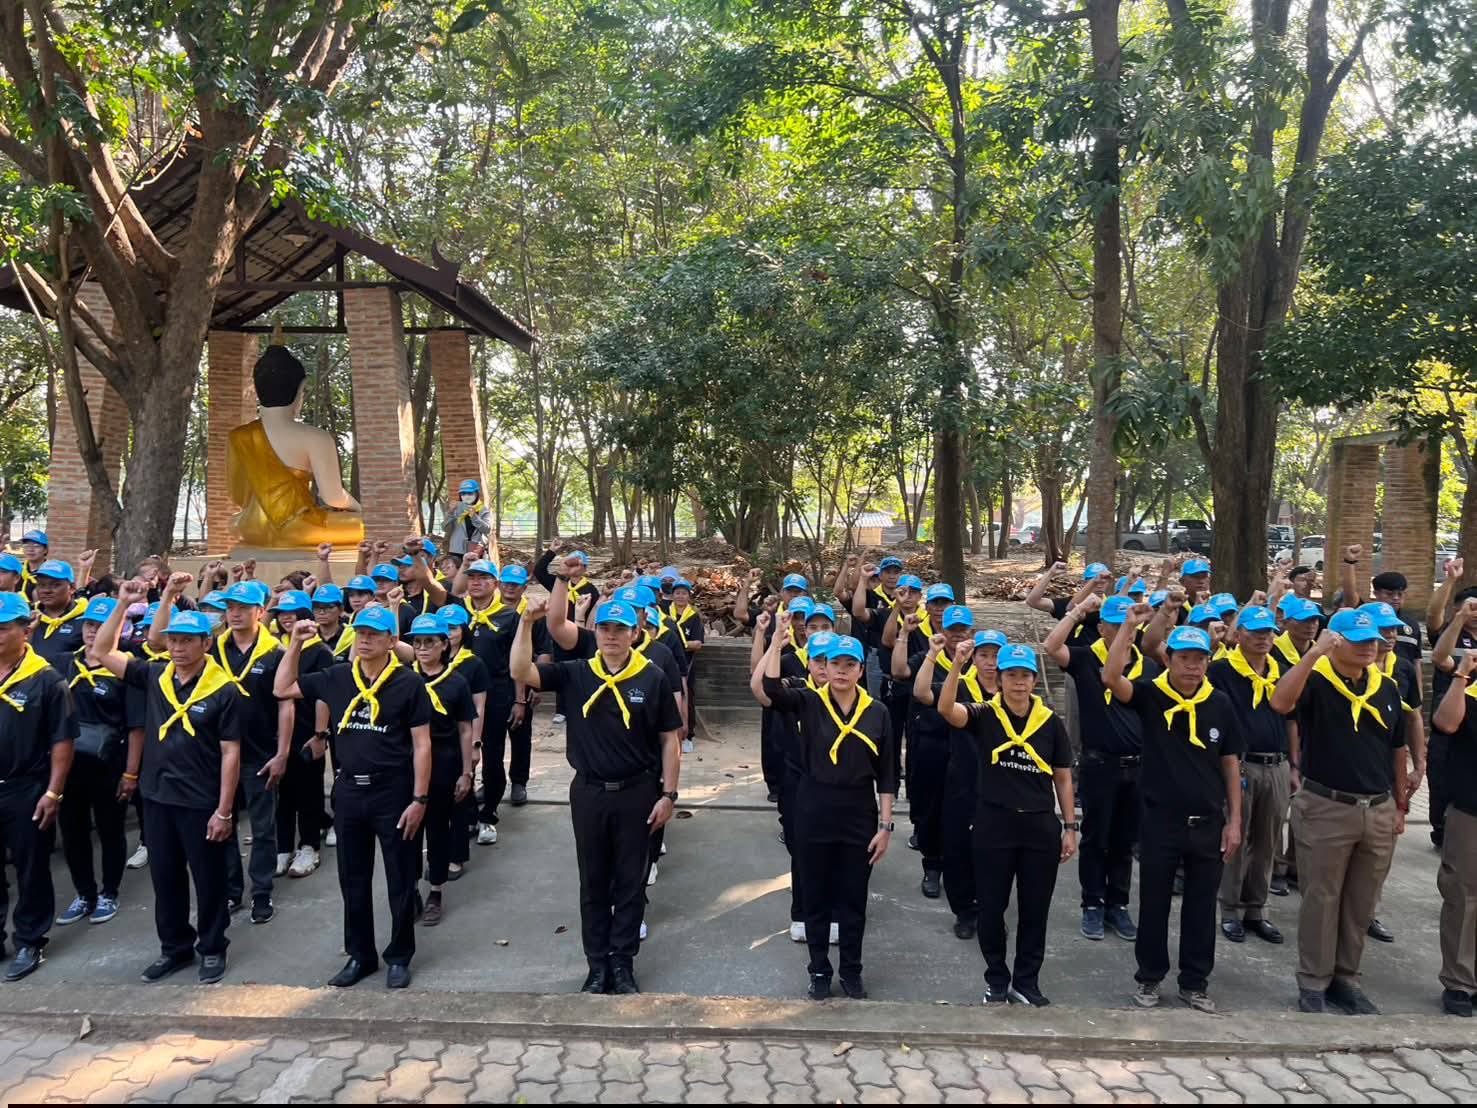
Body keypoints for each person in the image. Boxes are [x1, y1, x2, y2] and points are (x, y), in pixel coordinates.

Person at [513, 599, 682, 995]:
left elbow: (669, 740)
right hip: (589, 792)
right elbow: (521, 671)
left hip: (637, 792)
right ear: (596, 632)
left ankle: (622, 963)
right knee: (593, 881)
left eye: (620, 629)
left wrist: (669, 794)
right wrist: (525, 623)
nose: (611, 636)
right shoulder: (576, 673)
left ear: (634, 634)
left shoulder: (652, 677)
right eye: (604, 628)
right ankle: (597, 964)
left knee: (631, 881)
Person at [274, 606, 432, 990]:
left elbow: (422, 745)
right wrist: (295, 644)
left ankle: (399, 955)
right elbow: (282, 688)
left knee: (400, 878)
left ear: (391, 640)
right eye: (361, 632)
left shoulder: (408, 683)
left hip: (393, 791)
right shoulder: (337, 676)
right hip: (348, 790)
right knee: (353, 878)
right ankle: (360, 954)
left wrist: (419, 799)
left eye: (374, 634)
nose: (365, 640)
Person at [90, 587, 241, 985]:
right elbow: (103, 652)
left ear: (205, 643)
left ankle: (213, 947)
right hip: (158, 797)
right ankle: (174, 947)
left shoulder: (223, 690)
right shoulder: (155, 675)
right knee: (165, 877)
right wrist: (122, 604)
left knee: (208, 880)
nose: (177, 648)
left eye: (187, 641)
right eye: (173, 640)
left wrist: (224, 811)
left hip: (201, 800)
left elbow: (230, 753)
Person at [1270, 609, 1407, 1015]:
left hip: (1377, 808)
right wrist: (1313, 654)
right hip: (1327, 806)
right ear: (1337, 642)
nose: (1369, 647)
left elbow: (1395, 748)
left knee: (1361, 902)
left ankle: (1347, 978)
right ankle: (1314, 980)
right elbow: (1280, 702)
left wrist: (1400, 804)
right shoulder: (1316, 682)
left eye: (1373, 641)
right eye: (1359, 641)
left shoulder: (1385, 687)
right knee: (1322, 898)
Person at [1103, 620, 1243, 1012]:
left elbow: (1230, 762)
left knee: (1201, 906)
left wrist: (1234, 821)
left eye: (1200, 659)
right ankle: (1149, 977)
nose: (1193, 667)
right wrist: (1128, 627)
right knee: (1154, 903)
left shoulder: (1220, 703)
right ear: (1168, 659)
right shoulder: (1151, 694)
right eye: (1184, 658)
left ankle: (1195, 982)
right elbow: (1111, 677)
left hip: (1207, 823)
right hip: (1160, 821)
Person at [937, 640, 1076, 1006]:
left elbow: (1063, 777)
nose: (1018, 682)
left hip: (1039, 827)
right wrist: (956, 665)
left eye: (1025, 675)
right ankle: (996, 978)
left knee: (1035, 910)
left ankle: (1026, 982)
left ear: (1034, 681)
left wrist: (1070, 826)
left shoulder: (1050, 723)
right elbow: (947, 709)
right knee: (991, 907)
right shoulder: (985, 714)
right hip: (994, 825)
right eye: (1011, 675)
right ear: (998, 679)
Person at [760, 626, 895, 1000]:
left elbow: (887, 773)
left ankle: (851, 970)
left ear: (860, 670)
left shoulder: (878, 712)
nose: (841, 671)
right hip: (813, 807)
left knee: (853, 899)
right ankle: (818, 969)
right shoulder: (808, 701)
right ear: (824, 666)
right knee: (815, 896)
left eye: (850, 664)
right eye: (835, 663)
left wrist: (885, 825)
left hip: (858, 812)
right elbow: (771, 691)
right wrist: (775, 644)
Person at [156, 577, 290, 925]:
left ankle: (261, 891)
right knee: (222, 821)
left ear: (260, 611)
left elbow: (285, 704)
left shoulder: (275, 653)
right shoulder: (212, 648)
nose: (235, 614)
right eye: (230, 607)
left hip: (260, 752)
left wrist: (282, 752)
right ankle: (232, 889)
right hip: (215, 755)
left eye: (243, 608)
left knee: (263, 827)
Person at [1043, 593, 1155, 942]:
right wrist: (1078, 610)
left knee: (1125, 840)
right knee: (1096, 838)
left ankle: (1118, 904)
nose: (1125, 631)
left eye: (1129, 626)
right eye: (1116, 625)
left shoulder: (1148, 666)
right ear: (1102, 627)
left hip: (1137, 766)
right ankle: (1092, 902)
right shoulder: (1085, 659)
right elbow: (1051, 645)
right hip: (1099, 764)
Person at [0, 592, 75, 981]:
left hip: (27, 788)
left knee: (30, 868)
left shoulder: (46, 680)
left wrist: (53, 792)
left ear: (25, 631)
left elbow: (62, 740)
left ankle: (30, 939)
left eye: (3, 628)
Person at [56, 596, 144, 930]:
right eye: (90, 624)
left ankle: (109, 891)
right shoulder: (66, 664)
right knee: (73, 831)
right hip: (69, 765)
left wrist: (131, 773)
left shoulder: (125, 668)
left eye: (103, 625)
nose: (94, 631)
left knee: (110, 830)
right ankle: (84, 893)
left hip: (110, 765)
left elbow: (136, 727)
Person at [750, 628, 839, 944]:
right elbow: (760, 689)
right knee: (801, 849)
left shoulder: (848, 695)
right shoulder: (795, 689)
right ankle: (801, 912)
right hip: (797, 783)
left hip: (834, 785)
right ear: (808, 662)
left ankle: (833, 913)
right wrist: (774, 644)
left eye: (830, 660)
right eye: (817, 660)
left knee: (834, 850)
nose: (824, 667)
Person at [1208, 605, 1291, 945]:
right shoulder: (1222, 671)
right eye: (1255, 631)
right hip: (1240, 764)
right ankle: (1229, 909)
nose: (1263, 638)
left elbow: (1292, 719)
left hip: (1277, 764)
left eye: (1268, 632)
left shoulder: (1281, 670)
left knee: (1268, 840)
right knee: (1235, 838)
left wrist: (1294, 765)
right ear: (1238, 633)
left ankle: (1257, 908)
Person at [455, 561, 550, 843]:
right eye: (472, 577)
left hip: (497, 693)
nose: (476, 582)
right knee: (462, 756)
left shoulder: (510, 617)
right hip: (460, 694)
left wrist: (519, 699)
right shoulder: (458, 613)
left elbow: (517, 662)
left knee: (492, 755)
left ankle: (489, 814)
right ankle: (467, 814)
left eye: (483, 578)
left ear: (494, 584)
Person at [894, 604, 976, 901]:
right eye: (952, 630)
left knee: (964, 813)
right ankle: (932, 867)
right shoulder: (927, 657)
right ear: (942, 630)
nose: (957, 636)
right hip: (932, 745)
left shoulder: (980, 662)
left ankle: (961, 870)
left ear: (972, 632)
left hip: (968, 749)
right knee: (931, 810)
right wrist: (926, 648)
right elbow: (901, 674)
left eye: (962, 630)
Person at [405, 614, 476, 926]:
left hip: (443, 763)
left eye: (429, 642)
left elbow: (465, 728)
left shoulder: (456, 682)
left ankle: (435, 890)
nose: (422, 648)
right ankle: (409, 889)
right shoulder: (404, 678)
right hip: (406, 765)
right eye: (417, 642)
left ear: (444, 645)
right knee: (406, 831)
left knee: (437, 829)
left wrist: (466, 771)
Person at [270, 590, 333, 880]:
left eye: (292, 613)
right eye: (281, 613)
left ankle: (309, 846)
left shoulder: (320, 652)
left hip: (308, 731)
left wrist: (320, 735)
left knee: (308, 791)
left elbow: (323, 697)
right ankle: (283, 848)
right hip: (279, 733)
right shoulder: (278, 649)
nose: (286, 618)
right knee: (282, 794)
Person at [1430, 648, 1477, 1017]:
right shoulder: (1469, 691)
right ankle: (1460, 982)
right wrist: (1462, 673)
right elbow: (1445, 723)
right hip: (1470, 811)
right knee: (1463, 896)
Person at [1427, 558, 1476, 850]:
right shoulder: (1450, 633)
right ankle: (1442, 831)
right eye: (1471, 608)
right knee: (1442, 778)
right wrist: (1451, 581)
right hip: (1448, 723)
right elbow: (1433, 614)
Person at [28, 560, 88, 671]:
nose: (46, 590)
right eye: (41, 585)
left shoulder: (85, 620)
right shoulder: (28, 616)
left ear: (72, 588)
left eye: (55, 585)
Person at [667, 578, 705, 748]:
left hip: (686, 664)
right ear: (672, 595)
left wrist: (678, 644)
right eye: (677, 593)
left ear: (689, 596)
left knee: (687, 697)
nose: (680, 596)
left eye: (684, 593)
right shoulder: (665, 613)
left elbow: (697, 643)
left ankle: (687, 735)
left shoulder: (694, 617)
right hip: (666, 662)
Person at [444, 479, 493, 557]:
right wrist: (450, 513)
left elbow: (487, 530)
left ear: (476, 493)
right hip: (457, 550)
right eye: (463, 493)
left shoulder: (483, 510)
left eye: (470, 493)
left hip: (475, 551)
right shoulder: (456, 509)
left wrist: (474, 517)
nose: (466, 496)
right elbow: (446, 529)